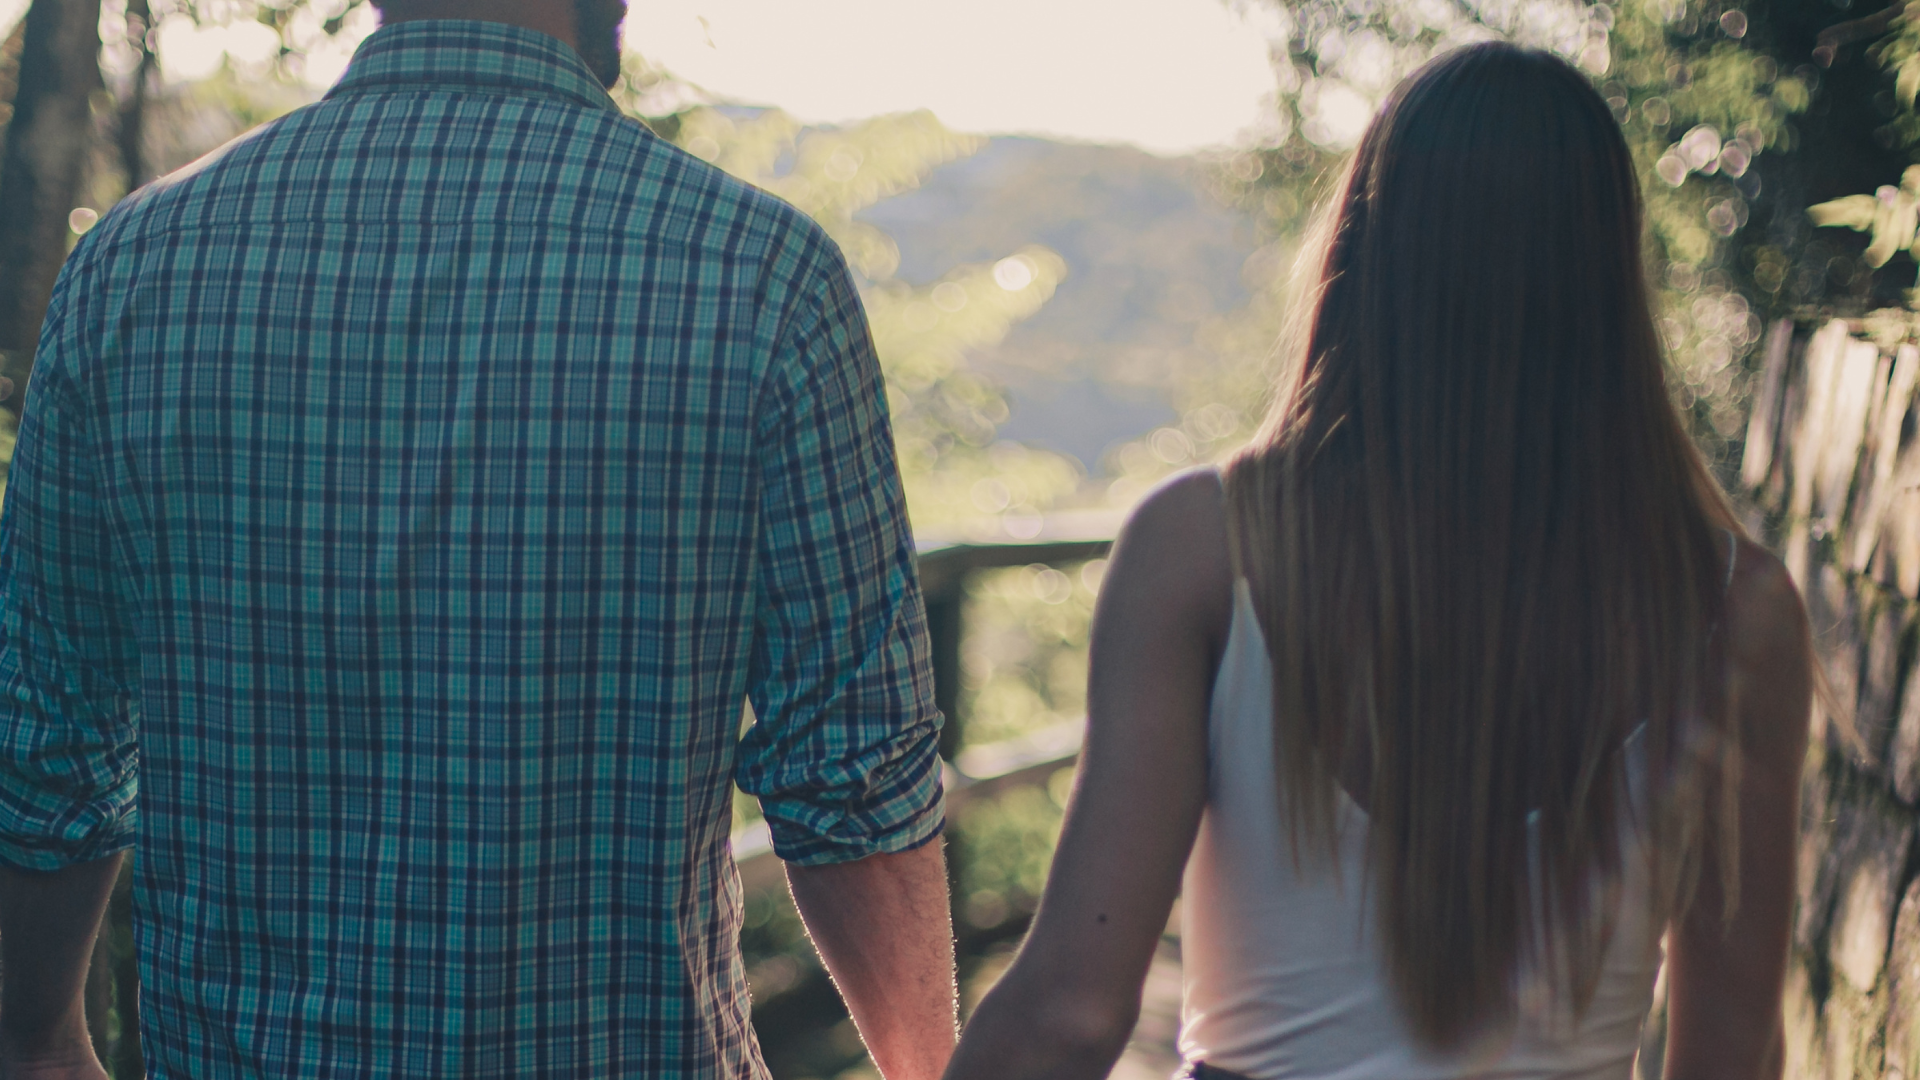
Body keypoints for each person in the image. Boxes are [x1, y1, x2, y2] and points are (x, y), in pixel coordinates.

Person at [0, 2, 957, 1078]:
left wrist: (39, 1039)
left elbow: (44, 744)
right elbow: (853, 780)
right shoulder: (761, 276)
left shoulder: (131, 267)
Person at [944, 42, 1811, 1080]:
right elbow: (1731, 1051)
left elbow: (1073, 1015)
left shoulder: (1201, 551)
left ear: (1364, 244)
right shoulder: (1734, 607)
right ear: (1612, 274)